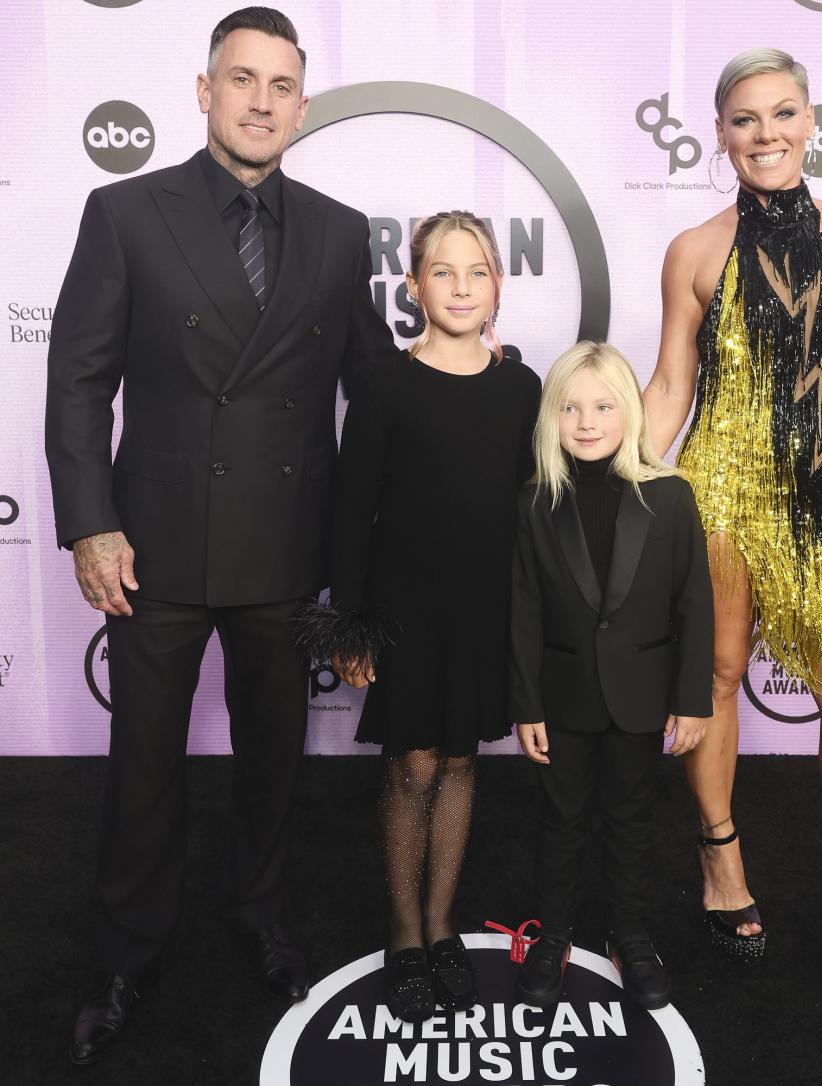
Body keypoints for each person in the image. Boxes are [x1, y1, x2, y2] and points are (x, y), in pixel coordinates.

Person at [46, 7, 399, 1066]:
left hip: (286, 549)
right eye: (240, 80)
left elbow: (371, 394)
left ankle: (261, 917)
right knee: (143, 762)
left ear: (301, 101)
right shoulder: (125, 213)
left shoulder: (341, 230)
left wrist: (472, 399)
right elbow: (77, 385)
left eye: (280, 84)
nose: (259, 101)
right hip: (150, 544)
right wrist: (90, 526)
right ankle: (127, 951)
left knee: (272, 763)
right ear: (204, 91)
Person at [643, 48, 822, 1002]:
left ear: (810, 122)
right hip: (719, 494)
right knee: (709, 679)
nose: (766, 134)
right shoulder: (695, 251)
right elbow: (673, 386)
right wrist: (612, 468)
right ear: (721, 134)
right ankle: (721, 862)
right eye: (745, 119)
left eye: (782, 113)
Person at [299, 212, 541, 1022]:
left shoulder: (521, 385)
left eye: (477, 272)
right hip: (404, 613)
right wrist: (352, 620)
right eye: (444, 272)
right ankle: (403, 930)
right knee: (413, 767)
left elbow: (531, 505)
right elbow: (352, 506)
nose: (462, 287)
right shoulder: (384, 385)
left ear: (498, 284)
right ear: (413, 286)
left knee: (464, 763)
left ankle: (442, 924)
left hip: (486, 608)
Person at [509, 341, 714, 1010]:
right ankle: (555, 934)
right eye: (570, 407)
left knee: (632, 819)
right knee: (559, 820)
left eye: (602, 406)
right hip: (563, 699)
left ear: (628, 411)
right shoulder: (538, 503)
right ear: (552, 418)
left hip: (642, 698)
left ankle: (631, 932)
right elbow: (525, 612)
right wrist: (527, 704)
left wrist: (691, 700)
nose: (587, 421)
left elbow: (694, 605)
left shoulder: (671, 498)